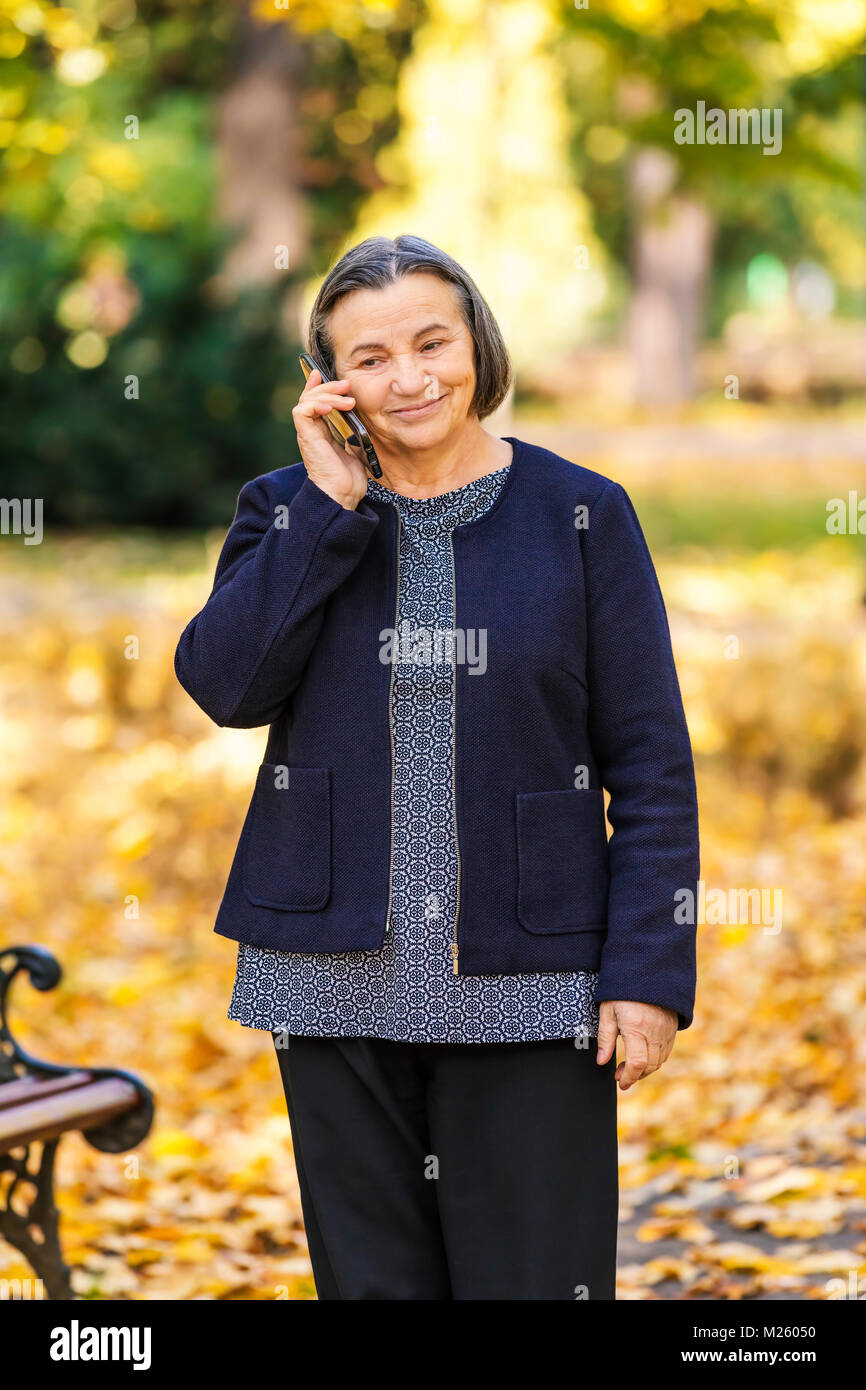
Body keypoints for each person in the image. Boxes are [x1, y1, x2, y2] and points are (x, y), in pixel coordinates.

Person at [174, 233, 700, 1300]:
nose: (407, 377)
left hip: (531, 978)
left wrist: (646, 974)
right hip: (329, 982)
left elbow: (649, 764)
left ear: (477, 347)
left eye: (430, 342)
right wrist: (329, 510)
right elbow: (228, 687)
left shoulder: (579, 513)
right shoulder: (288, 509)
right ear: (327, 382)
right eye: (368, 357)